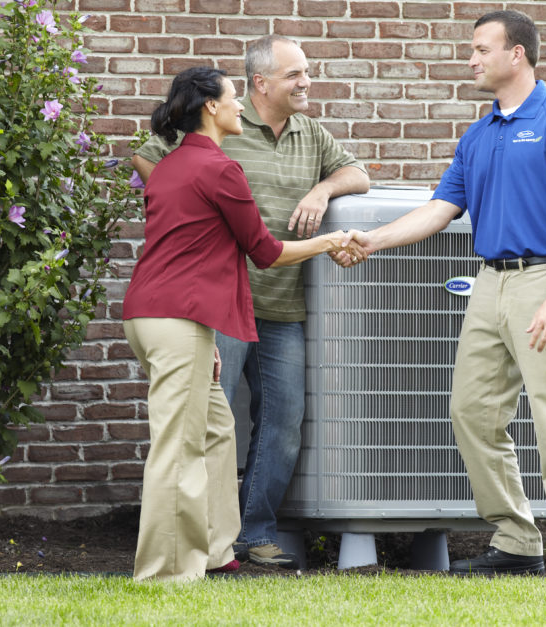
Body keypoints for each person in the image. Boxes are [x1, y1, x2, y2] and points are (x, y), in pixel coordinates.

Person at [335, 10, 546, 579]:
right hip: (489, 283)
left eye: (482, 49)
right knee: (471, 412)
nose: (472, 59)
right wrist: (372, 241)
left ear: (518, 55)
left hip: (543, 279)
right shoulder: (478, 135)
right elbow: (440, 209)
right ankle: (516, 539)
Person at [131, 36, 370, 570]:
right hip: (197, 307)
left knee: (218, 430)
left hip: (202, 309)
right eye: (295, 73)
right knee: (181, 444)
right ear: (222, 102)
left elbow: (357, 173)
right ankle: (165, 572)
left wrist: (323, 191)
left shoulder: (195, 162)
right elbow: (262, 250)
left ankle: (221, 549)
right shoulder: (214, 166)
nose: (306, 81)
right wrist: (332, 241)